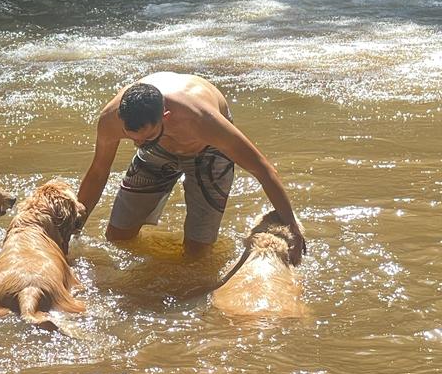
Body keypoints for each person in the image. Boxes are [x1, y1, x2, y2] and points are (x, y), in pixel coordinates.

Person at [77, 72, 306, 264]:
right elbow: (98, 172)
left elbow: (262, 169)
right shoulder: (111, 120)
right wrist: (72, 230)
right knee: (117, 237)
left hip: (208, 152)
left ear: (165, 117)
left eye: (145, 137)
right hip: (157, 152)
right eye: (132, 138)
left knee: (197, 257)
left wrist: (293, 229)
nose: (137, 144)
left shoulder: (203, 121)